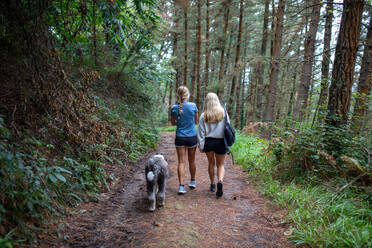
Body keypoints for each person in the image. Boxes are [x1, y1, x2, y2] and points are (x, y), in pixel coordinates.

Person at [197, 93, 228, 198]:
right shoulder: (224, 113)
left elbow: (200, 133)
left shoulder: (203, 115)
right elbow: (227, 128)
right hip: (221, 142)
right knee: (221, 165)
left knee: (211, 163)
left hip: (208, 142)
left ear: (207, 102)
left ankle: (212, 184)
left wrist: (201, 146)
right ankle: (220, 181)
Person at [171, 86, 199, 194]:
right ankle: (192, 181)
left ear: (178, 95)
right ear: (187, 94)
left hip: (180, 137)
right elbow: (196, 122)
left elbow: (173, 123)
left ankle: (181, 187)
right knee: (192, 160)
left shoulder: (174, 108)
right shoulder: (193, 106)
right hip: (192, 136)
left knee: (181, 162)